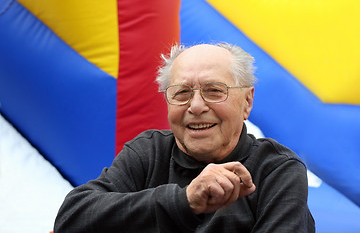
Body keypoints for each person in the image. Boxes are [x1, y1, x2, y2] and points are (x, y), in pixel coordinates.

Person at [54, 43, 315, 232]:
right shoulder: (148, 151)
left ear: (247, 102)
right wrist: (184, 201)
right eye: (182, 93)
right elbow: (72, 219)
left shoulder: (277, 170)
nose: (196, 106)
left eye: (214, 91)